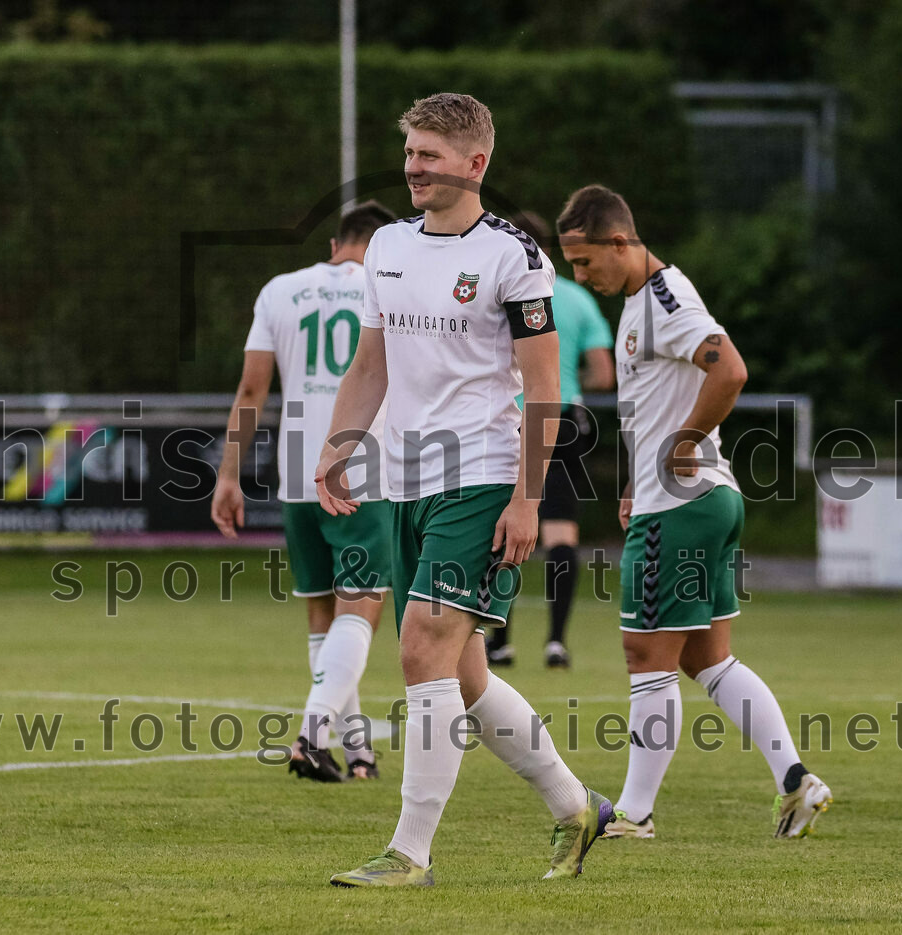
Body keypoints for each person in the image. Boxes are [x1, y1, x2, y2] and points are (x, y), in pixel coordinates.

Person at [314, 93, 613, 887]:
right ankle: (576, 806)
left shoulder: (516, 258)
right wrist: (339, 447)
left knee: (419, 647)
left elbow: (544, 389)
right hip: (406, 481)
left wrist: (527, 497)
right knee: (465, 670)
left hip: (482, 474)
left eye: (430, 155)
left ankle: (409, 853)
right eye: (410, 152)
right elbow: (369, 365)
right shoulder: (385, 246)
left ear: (475, 164)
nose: (414, 167)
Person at [556, 184, 831, 839]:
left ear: (619, 242)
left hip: (681, 506)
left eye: (586, 261)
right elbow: (659, 400)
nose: (580, 275)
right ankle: (796, 780)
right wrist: (640, 475)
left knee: (643, 653)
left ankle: (635, 813)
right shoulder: (643, 302)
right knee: (708, 658)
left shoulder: (662, 301)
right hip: (704, 498)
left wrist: (680, 445)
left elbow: (728, 370)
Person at [211, 200, 397, 783]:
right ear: (379, 245)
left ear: (335, 244)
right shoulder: (389, 283)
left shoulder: (279, 290)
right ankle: (312, 738)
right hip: (365, 467)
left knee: (325, 613)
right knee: (361, 610)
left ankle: (358, 751)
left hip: (299, 472)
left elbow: (250, 389)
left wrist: (227, 473)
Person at [486, 210, 615, 669]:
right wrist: (566, 380)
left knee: (503, 531)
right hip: (563, 421)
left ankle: (498, 640)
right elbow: (603, 372)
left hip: (510, 418)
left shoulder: (494, 288)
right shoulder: (577, 299)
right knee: (561, 532)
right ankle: (556, 641)